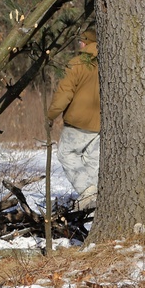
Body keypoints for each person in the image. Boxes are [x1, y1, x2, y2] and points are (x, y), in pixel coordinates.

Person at [47, 27, 100, 211]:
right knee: (91, 161)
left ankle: (88, 192)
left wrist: (51, 115)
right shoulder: (108, 64)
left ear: (85, 43)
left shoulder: (76, 64)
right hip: (100, 124)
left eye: (81, 41)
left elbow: (64, 94)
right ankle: (94, 197)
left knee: (66, 154)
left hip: (77, 123)